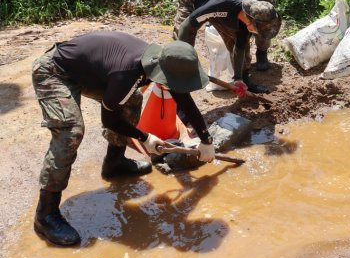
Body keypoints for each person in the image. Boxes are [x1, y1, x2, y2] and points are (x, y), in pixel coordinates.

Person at [32, 31, 216, 246]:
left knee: (131, 98)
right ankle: (45, 215)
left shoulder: (161, 62)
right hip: (54, 71)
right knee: (71, 131)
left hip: (89, 71)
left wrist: (206, 139)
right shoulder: (128, 73)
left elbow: (183, 98)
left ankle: (114, 163)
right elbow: (110, 119)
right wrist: (145, 137)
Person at [172, 0, 280, 94]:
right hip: (194, 0)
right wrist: (190, 61)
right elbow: (186, 27)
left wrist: (238, 78)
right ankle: (178, 81)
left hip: (221, 10)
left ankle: (244, 80)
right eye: (258, 29)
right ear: (250, 21)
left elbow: (239, 47)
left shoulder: (248, 16)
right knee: (182, 41)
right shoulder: (221, 6)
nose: (258, 33)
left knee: (243, 45)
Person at [221, 0, 279, 71]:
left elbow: (266, 7)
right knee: (241, 42)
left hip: (258, 15)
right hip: (239, 16)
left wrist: (254, 23)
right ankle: (244, 61)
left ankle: (262, 53)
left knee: (264, 31)